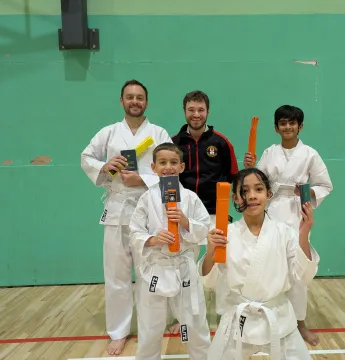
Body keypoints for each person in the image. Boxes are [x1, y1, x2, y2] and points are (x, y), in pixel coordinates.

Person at [80, 79, 172, 355]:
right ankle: (118, 332)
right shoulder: (108, 134)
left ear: (146, 102)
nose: (135, 101)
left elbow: (172, 170)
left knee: (150, 273)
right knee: (117, 275)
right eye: (130, 97)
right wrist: (107, 167)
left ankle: (151, 326)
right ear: (122, 101)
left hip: (150, 212)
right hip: (117, 211)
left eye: (140, 97)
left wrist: (142, 180)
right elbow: (86, 159)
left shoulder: (158, 133)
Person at [199, 168, 320, 359]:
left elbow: (302, 276)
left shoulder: (284, 232)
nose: (252, 196)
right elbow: (209, 281)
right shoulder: (226, 234)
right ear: (235, 198)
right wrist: (210, 252)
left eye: (258, 189)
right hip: (238, 320)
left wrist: (303, 235)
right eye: (244, 191)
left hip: (278, 318)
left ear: (269, 194)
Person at [243, 104, 333, 346]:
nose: (287, 127)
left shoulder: (310, 154)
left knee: (298, 269)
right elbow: (255, 179)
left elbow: (325, 184)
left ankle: (300, 322)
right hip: (270, 212)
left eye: (292, 123)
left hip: (297, 213)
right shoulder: (269, 152)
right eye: (283, 123)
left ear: (300, 126)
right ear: (276, 128)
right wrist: (249, 164)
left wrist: (307, 192)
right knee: (269, 265)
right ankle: (268, 317)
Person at [129, 142, 212, 360]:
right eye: (163, 162)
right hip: (155, 270)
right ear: (153, 167)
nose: (168, 167)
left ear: (182, 167)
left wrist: (185, 222)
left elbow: (204, 229)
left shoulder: (191, 199)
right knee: (150, 327)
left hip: (184, 268)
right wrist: (152, 239)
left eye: (174, 162)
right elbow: (134, 232)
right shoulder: (146, 199)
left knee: (195, 324)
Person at [170, 90, 239, 333]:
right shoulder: (174, 142)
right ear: (185, 111)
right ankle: (184, 319)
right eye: (191, 109)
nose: (196, 114)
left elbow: (234, 177)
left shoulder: (221, 142)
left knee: (221, 265)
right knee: (183, 266)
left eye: (200, 110)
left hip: (214, 212)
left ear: (207, 111)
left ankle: (225, 315)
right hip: (184, 214)